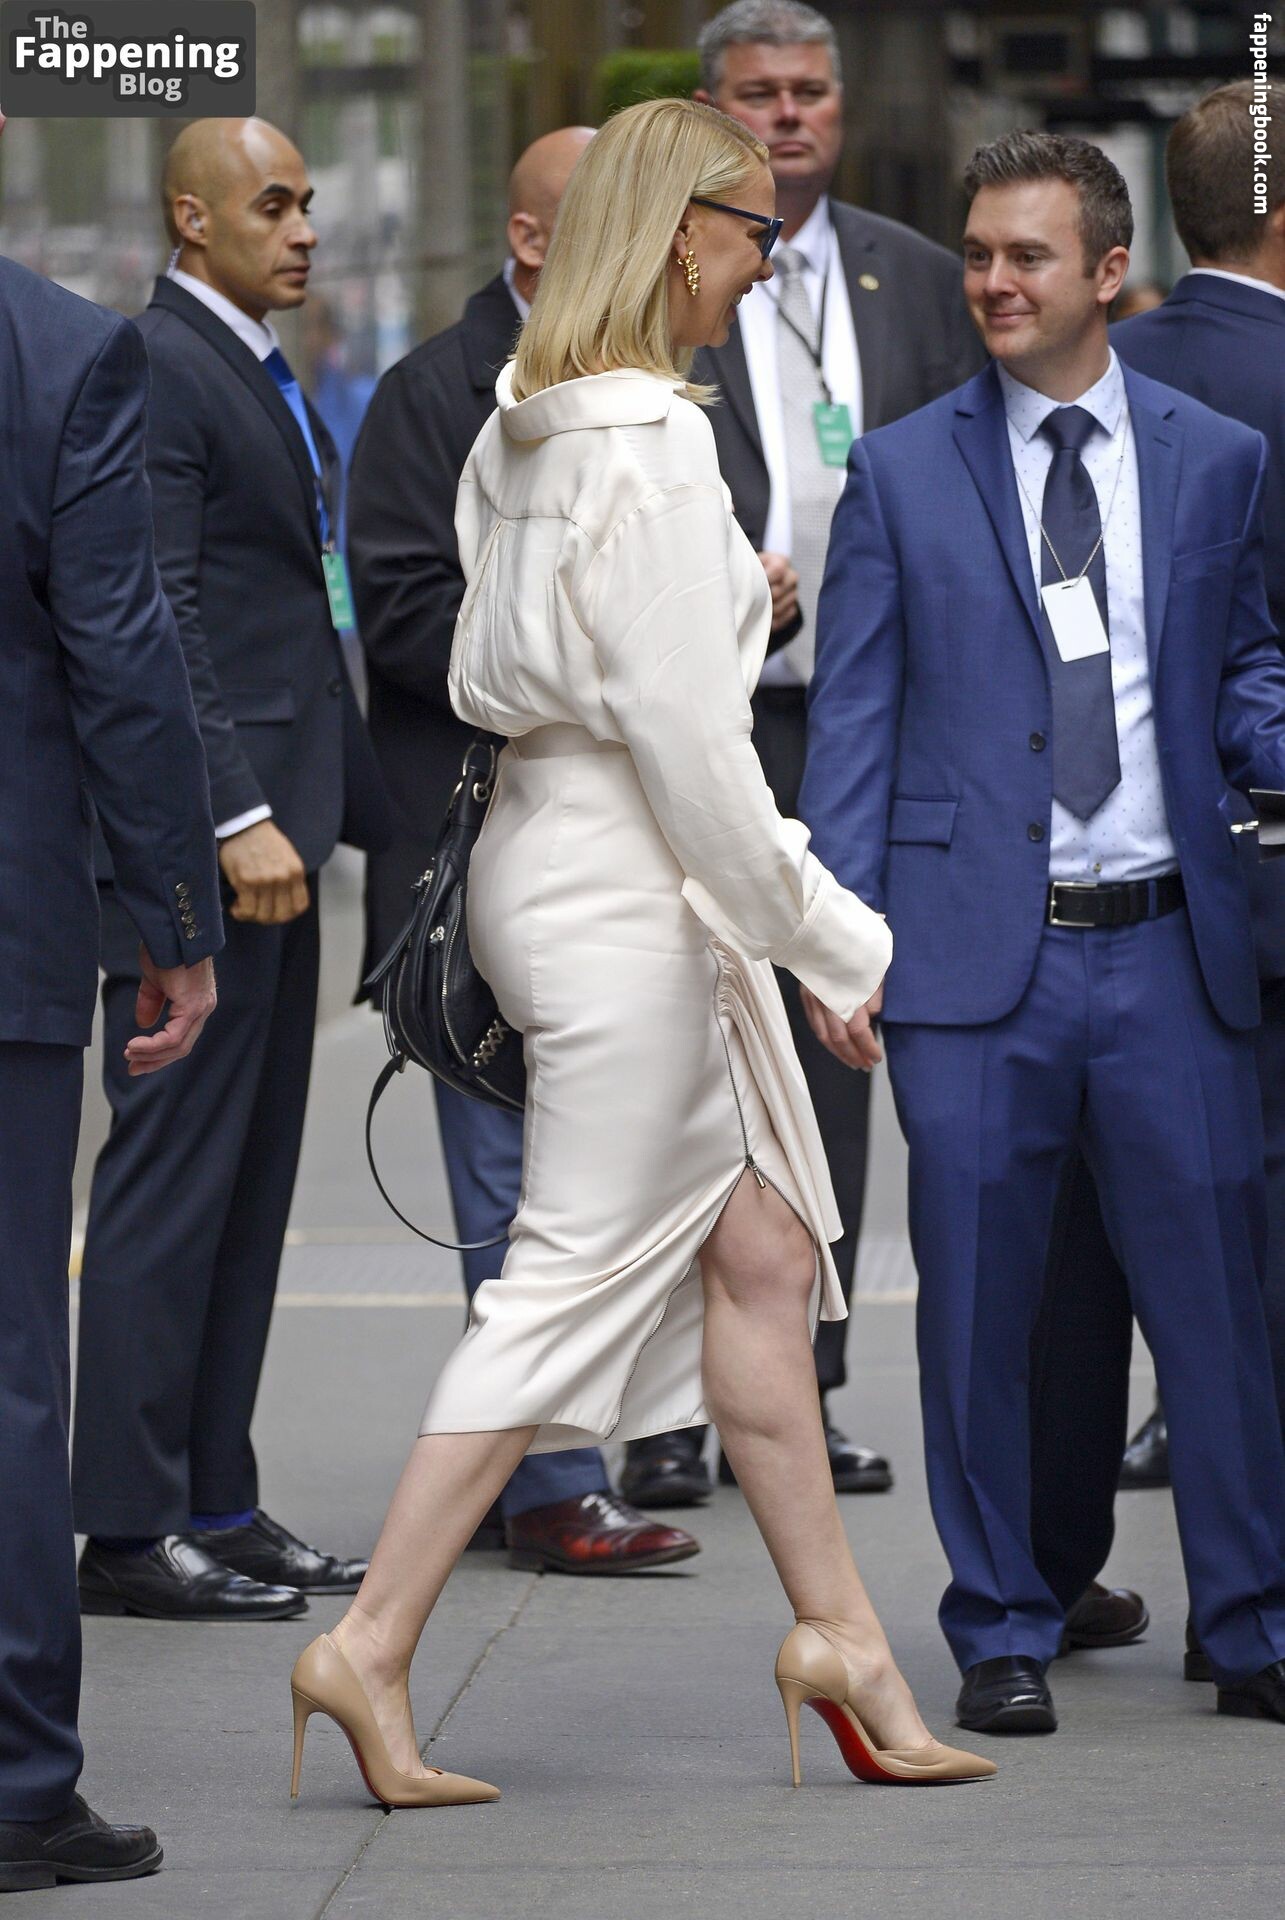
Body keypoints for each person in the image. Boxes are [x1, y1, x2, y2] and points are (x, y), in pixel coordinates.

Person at [286, 98, 996, 1808]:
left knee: (759, 1254)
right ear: (684, 237)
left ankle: (845, 1641)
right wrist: (840, 940)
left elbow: (513, 677)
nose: (766, 261)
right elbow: (698, 759)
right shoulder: (656, 444)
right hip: (632, 895)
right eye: (751, 231)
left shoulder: (525, 423)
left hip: (554, 864)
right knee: (558, 1284)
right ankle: (368, 1645)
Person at [802, 129, 1285, 1735]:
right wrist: (841, 943)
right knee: (978, 1317)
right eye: (977, 254)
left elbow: (1240, 669)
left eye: (1026, 256)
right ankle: (1000, 1623)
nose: (992, 282)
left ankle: (1252, 1622)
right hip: (966, 967)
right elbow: (852, 724)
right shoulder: (899, 470)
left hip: (1170, 950)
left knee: (1216, 1310)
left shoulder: (1212, 457)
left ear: (1107, 271)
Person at [621, 0, 986, 1509]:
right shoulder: (666, 273)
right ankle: (662, 1410)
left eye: (810, 91)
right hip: (717, 716)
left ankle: (806, 1395)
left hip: (875, 716)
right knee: (683, 1053)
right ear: (714, 110)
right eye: (758, 93)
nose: (788, 115)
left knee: (833, 1042)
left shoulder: (918, 275)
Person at [348, 126, 700, 1575]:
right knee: (511, 1181)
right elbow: (402, 614)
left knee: (630, 1183)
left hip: (625, 848)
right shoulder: (438, 392)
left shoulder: (649, 384)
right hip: (480, 848)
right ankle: (548, 1480)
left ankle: (610, 1448)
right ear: (533, 237)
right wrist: (599, 657)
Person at [72, 117, 391, 1624]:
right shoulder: (158, 362)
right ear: (191, 222)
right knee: (170, 1185)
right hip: (210, 852)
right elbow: (160, 608)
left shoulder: (249, 363)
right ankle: (129, 1530)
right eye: (274, 205)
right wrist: (230, 813)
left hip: (285, 837)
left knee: (251, 1187)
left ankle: (215, 1496)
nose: (305, 228)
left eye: (308, 203)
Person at [0, 110, 221, 1890]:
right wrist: (174, 915)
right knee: (8, 1369)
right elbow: (121, 649)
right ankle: (17, 1785)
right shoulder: (64, 356)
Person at [1040, 80, 1285, 1665]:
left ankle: (1048, 1568)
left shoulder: (1089, 379)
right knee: (1250, 1271)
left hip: (1092, 890)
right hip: (1264, 897)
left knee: (1074, 1262)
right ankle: (1249, 1605)